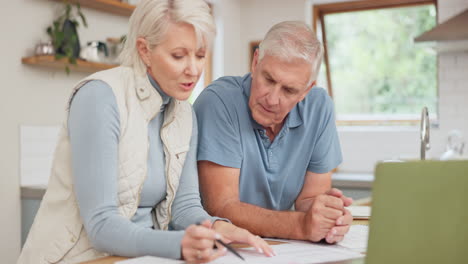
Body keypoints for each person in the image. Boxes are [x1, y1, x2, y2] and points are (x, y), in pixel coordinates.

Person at [17, 1, 273, 263]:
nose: (193, 70)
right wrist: (179, 244)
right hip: (76, 257)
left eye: (199, 55)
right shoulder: (100, 97)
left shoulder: (185, 113)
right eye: (178, 56)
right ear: (144, 50)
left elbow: (184, 207)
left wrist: (220, 227)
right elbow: (101, 225)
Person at [194, 21, 353, 244]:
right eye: (268, 79)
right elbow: (221, 207)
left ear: (307, 90)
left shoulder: (319, 108)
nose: (272, 99)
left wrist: (326, 216)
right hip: (220, 245)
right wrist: (301, 225)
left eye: (289, 90)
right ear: (255, 61)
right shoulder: (218, 102)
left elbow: (309, 199)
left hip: (277, 246)